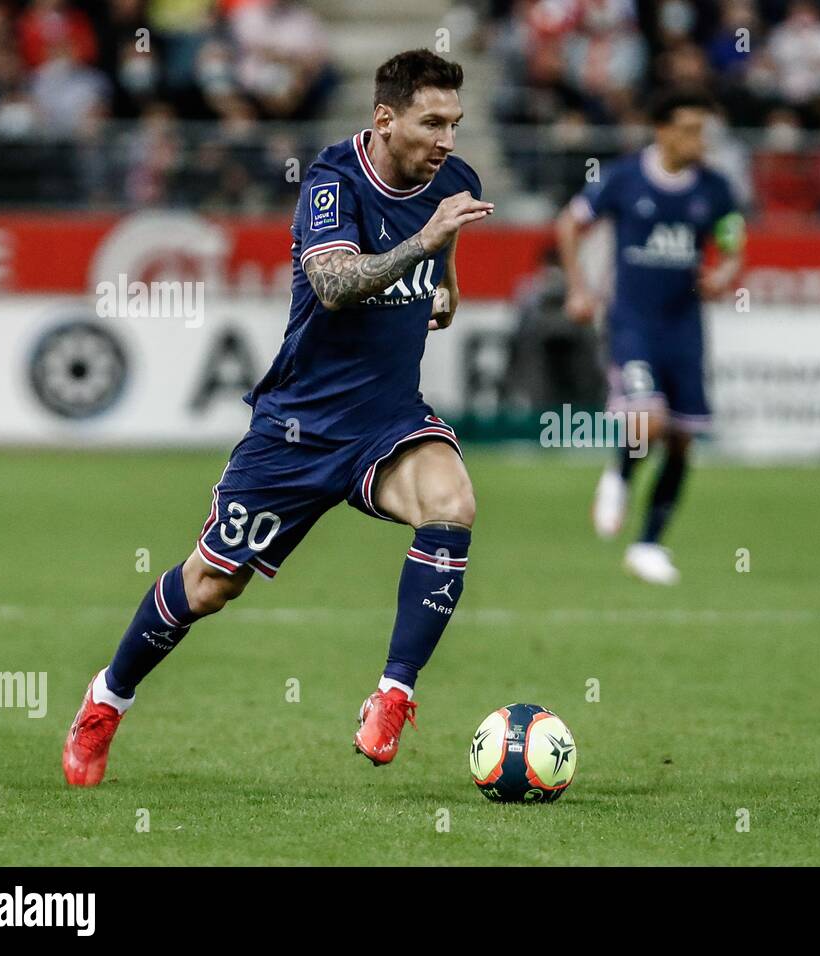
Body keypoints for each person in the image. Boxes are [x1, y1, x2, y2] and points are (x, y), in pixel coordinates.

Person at [62, 49, 493, 786]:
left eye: (455, 122)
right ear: (385, 120)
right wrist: (421, 245)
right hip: (296, 431)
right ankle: (108, 698)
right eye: (432, 122)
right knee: (208, 587)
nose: (448, 138)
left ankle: (393, 695)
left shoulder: (453, 181)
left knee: (453, 503)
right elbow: (331, 284)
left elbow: (444, 246)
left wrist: (444, 282)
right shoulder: (331, 182)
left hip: (385, 422)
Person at [555, 89, 745, 585]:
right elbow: (570, 223)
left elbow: (731, 239)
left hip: (685, 328)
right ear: (661, 131)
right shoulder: (624, 178)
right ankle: (619, 475)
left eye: (701, 130)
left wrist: (724, 273)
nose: (697, 139)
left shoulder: (716, 188)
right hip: (632, 323)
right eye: (687, 129)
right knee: (649, 422)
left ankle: (648, 545)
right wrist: (578, 288)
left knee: (682, 441)